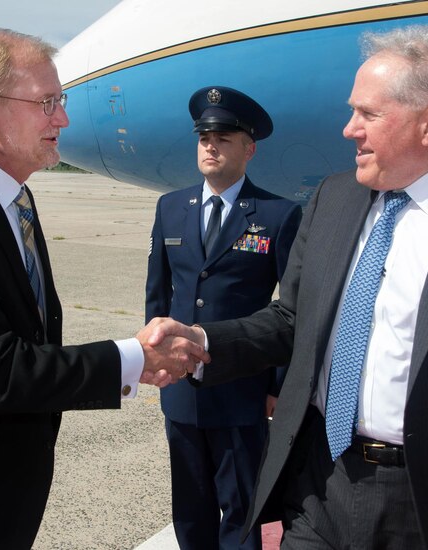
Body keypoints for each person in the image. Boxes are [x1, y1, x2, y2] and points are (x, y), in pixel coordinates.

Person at [147, 27, 428, 549]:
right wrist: (203, 341)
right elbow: (292, 321)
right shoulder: (334, 199)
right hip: (320, 492)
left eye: (368, 114)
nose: (349, 130)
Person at [0, 28, 203, 550]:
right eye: (47, 102)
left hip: (4, 484)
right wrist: (132, 360)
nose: (64, 118)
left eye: (61, 100)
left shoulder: (13, 201)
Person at [145, 86, 302, 549]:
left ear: (249, 149)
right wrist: (152, 355)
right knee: (189, 510)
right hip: (180, 389)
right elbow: (158, 294)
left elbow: (292, 309)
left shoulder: (277, 216)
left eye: (224, 138)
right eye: (204, 138)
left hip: (241, 387)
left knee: (241, 510)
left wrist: (277, 383)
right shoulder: (170, 208)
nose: (210, 146)